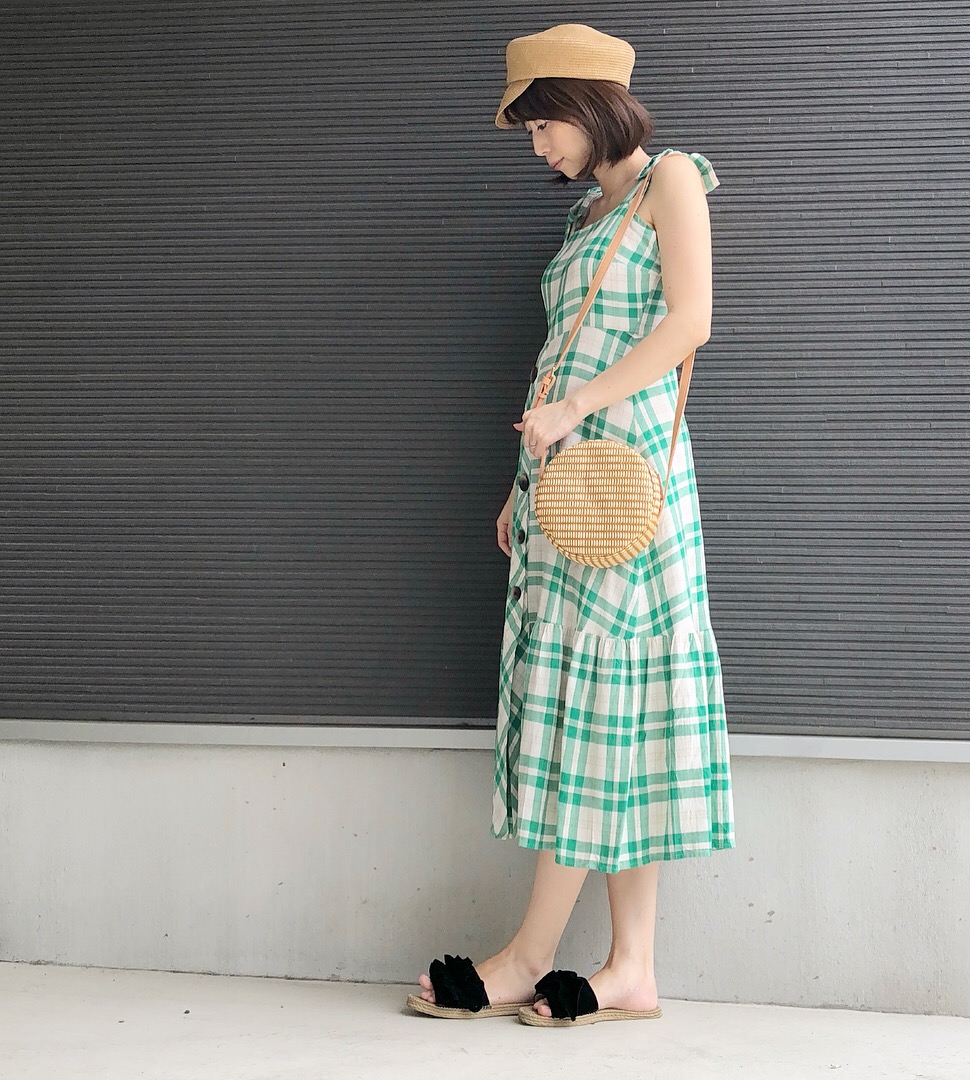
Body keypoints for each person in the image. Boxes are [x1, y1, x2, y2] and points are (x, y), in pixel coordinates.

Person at [407, 22, 734, 1028]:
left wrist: (576, 410)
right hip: (569, 483)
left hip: (625, 480)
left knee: (597, 700)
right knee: (614, 706)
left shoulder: (670, 180)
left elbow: (690, 320)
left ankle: (529, 955)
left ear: (589, 107)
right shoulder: (589, 215)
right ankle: (632, 969)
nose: (538, 146)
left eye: (543, 124)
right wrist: (527, 480)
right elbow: (563, 351)